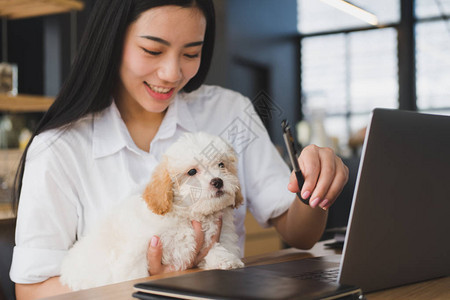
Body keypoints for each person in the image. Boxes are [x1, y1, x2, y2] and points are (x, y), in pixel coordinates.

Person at [10, 0, 349, 299]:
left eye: (191, 53)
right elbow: (32, 290)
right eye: (153, 51)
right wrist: (149, 290)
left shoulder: (230, 112)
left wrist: (314, 189)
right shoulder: (58, 148)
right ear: (113, 42)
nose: (172, 73)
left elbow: (301, 234)